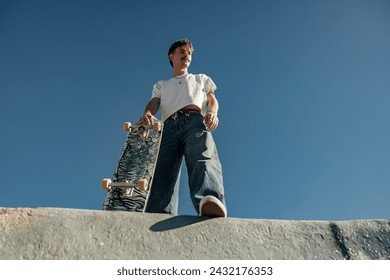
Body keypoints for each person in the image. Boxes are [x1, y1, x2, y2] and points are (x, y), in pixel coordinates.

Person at [139, 38, 227, 217]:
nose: (186, 55)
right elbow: (154, 102)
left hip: (194, 121)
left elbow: (211, 98)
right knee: (163, 169)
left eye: (189, 53)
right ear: (172, 56)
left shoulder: (200, 78)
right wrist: (148, 113)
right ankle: (158, 212)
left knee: (202, 156)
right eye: (182, 51)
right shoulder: (162, 85)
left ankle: (209, 199)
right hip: (168, 127)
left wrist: (213, 112)